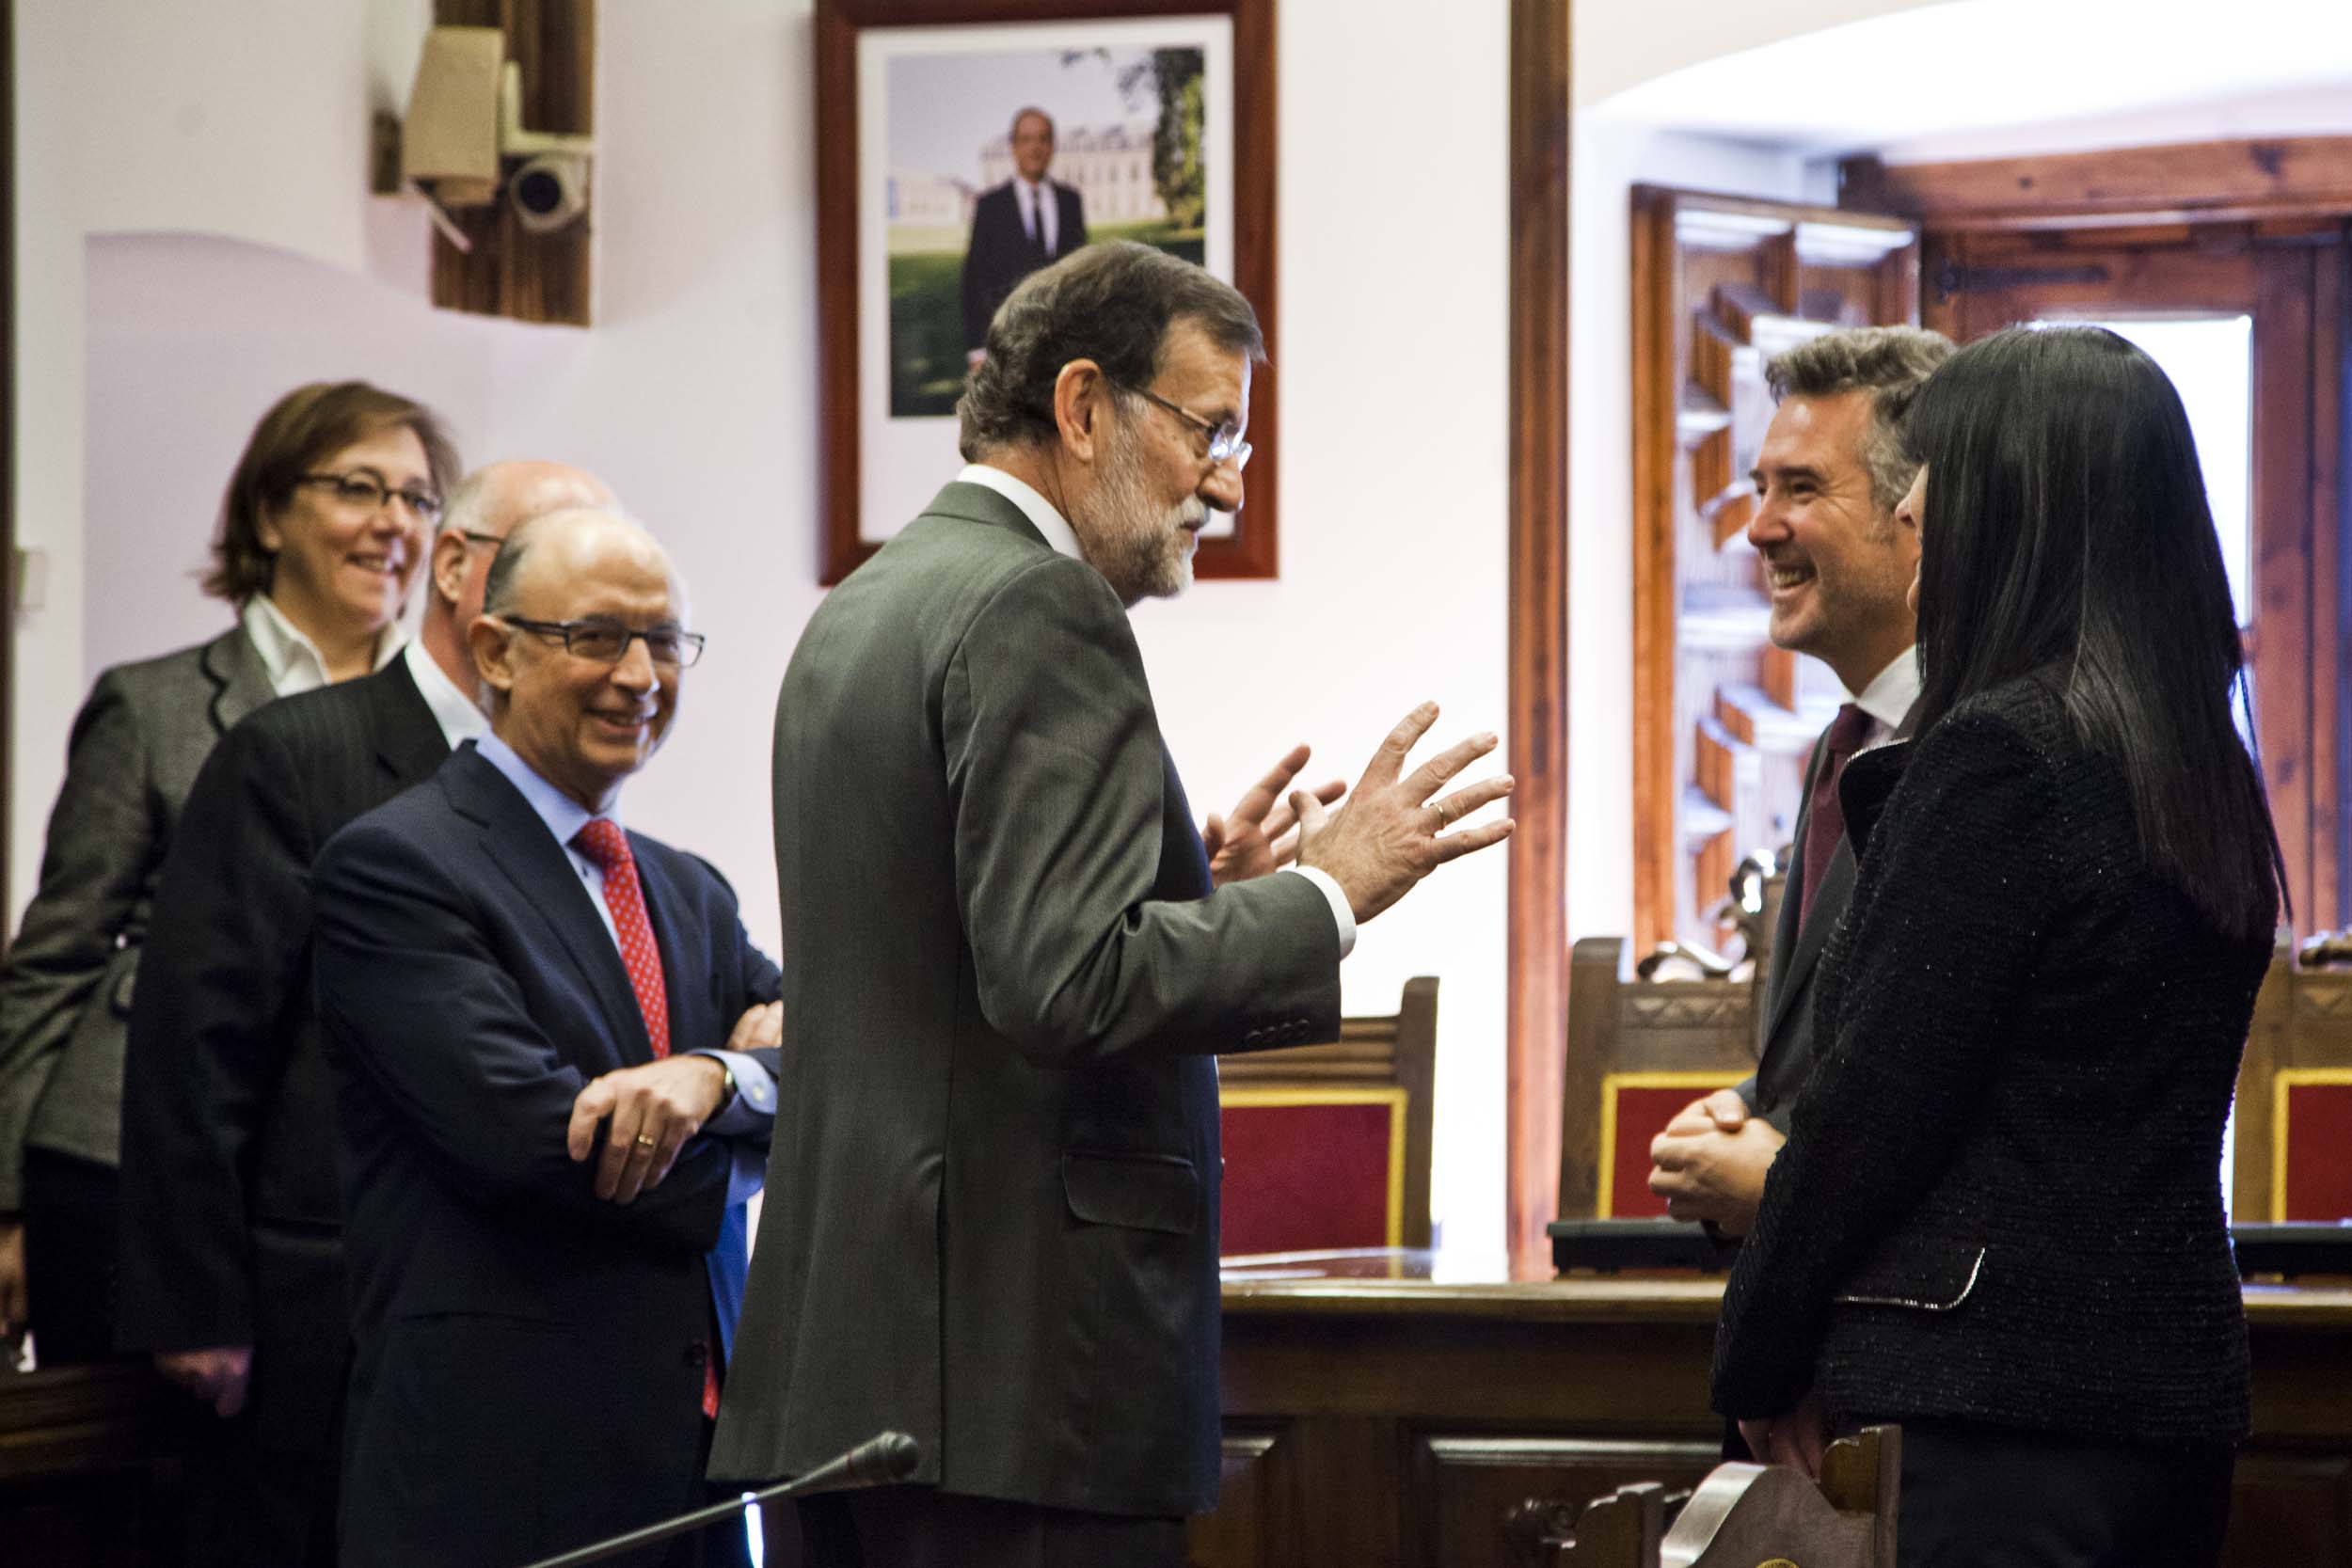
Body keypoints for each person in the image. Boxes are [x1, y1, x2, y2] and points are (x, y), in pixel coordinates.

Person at [710, 240, 1514, 1567]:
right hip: (1019, 1379)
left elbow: (958, 949)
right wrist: (1328, 888)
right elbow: (1066, 982)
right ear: (1082, 406)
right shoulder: (1042, 603)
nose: (1228, 480)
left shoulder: (865, 603)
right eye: (1209, 429)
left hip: (853, 1370)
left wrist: (1200, 891)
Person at [1712, 325, 2285, 1568]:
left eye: (1937, 477)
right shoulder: (2194, 755)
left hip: (1988, 1408)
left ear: (2013, 506)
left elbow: (1873, 1109)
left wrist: (1754, 1358)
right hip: (2165, 1403)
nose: (1911, 510)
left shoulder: (2003, 754)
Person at [111, 462, 616, 1567]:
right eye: (559, 567)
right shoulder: (293, 752)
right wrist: (195, 1304)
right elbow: (195, 1042)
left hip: (498, 1315)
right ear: (460, 572)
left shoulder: (567, 772)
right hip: (311, 1315)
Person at [310, 508, 783, 1568]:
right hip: (503, 1477)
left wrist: (715, 1078)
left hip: (702, 1475)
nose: (640, 674)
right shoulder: (397, 866)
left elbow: (842, 1062)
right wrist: (765, 1146)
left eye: (665, 639)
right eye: (597, 636)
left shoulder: (688, 889)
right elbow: (537, 1144)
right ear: (495, 650)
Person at [0, 380, 456, 1368]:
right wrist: (6, 1204)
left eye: (419, 498)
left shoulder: (446, 727)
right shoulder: (152, 705)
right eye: (359, 487)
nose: (395, 522)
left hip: (339, 1182)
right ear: (269, 512)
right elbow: (55, 959)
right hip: (119, 1160)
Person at [1647, 327, 1950, 1238]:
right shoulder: (1840, 748)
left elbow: (1955, 1097)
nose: (1758, 527)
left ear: (1918, 514)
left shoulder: (1977, 757)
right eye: (1760, 487)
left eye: (1803, 488)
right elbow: (1842, 1054)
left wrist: (1783, 1175)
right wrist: (1750, 1108)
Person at [960, 106, 1089, 361]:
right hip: (1006, 347)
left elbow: (1082, 277)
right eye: (1026, 139)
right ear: (1014, 147)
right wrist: (977, 351)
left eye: (1043, 138)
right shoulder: (990, 206)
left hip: (1061, 348)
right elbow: (974, 281)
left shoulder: (1070, 202)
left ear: (1052, 145)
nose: (1035, 148)